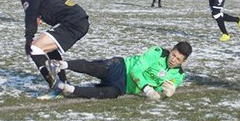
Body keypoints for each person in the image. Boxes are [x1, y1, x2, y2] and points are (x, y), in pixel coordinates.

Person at [6, 0, 90, 99]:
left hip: (73, 22)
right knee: (49, 49)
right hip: (77, 19)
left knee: (35, 49)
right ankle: (63, 83)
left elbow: (30, 20)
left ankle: (56, 86)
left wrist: (28, 40)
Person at [45, 42, 192, 100]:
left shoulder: (178, 75)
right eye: (173, 54)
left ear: (183, 62)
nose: (173, 59)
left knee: (106, 94)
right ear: (171, 50)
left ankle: (66, 88)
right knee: (96, 69)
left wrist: (167, 93)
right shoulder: (157, 52)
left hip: (124, 87)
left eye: (178, 59)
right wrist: (147, 89)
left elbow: (161, 91)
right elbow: (136, 71)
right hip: (122, 67)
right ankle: (60, 64)